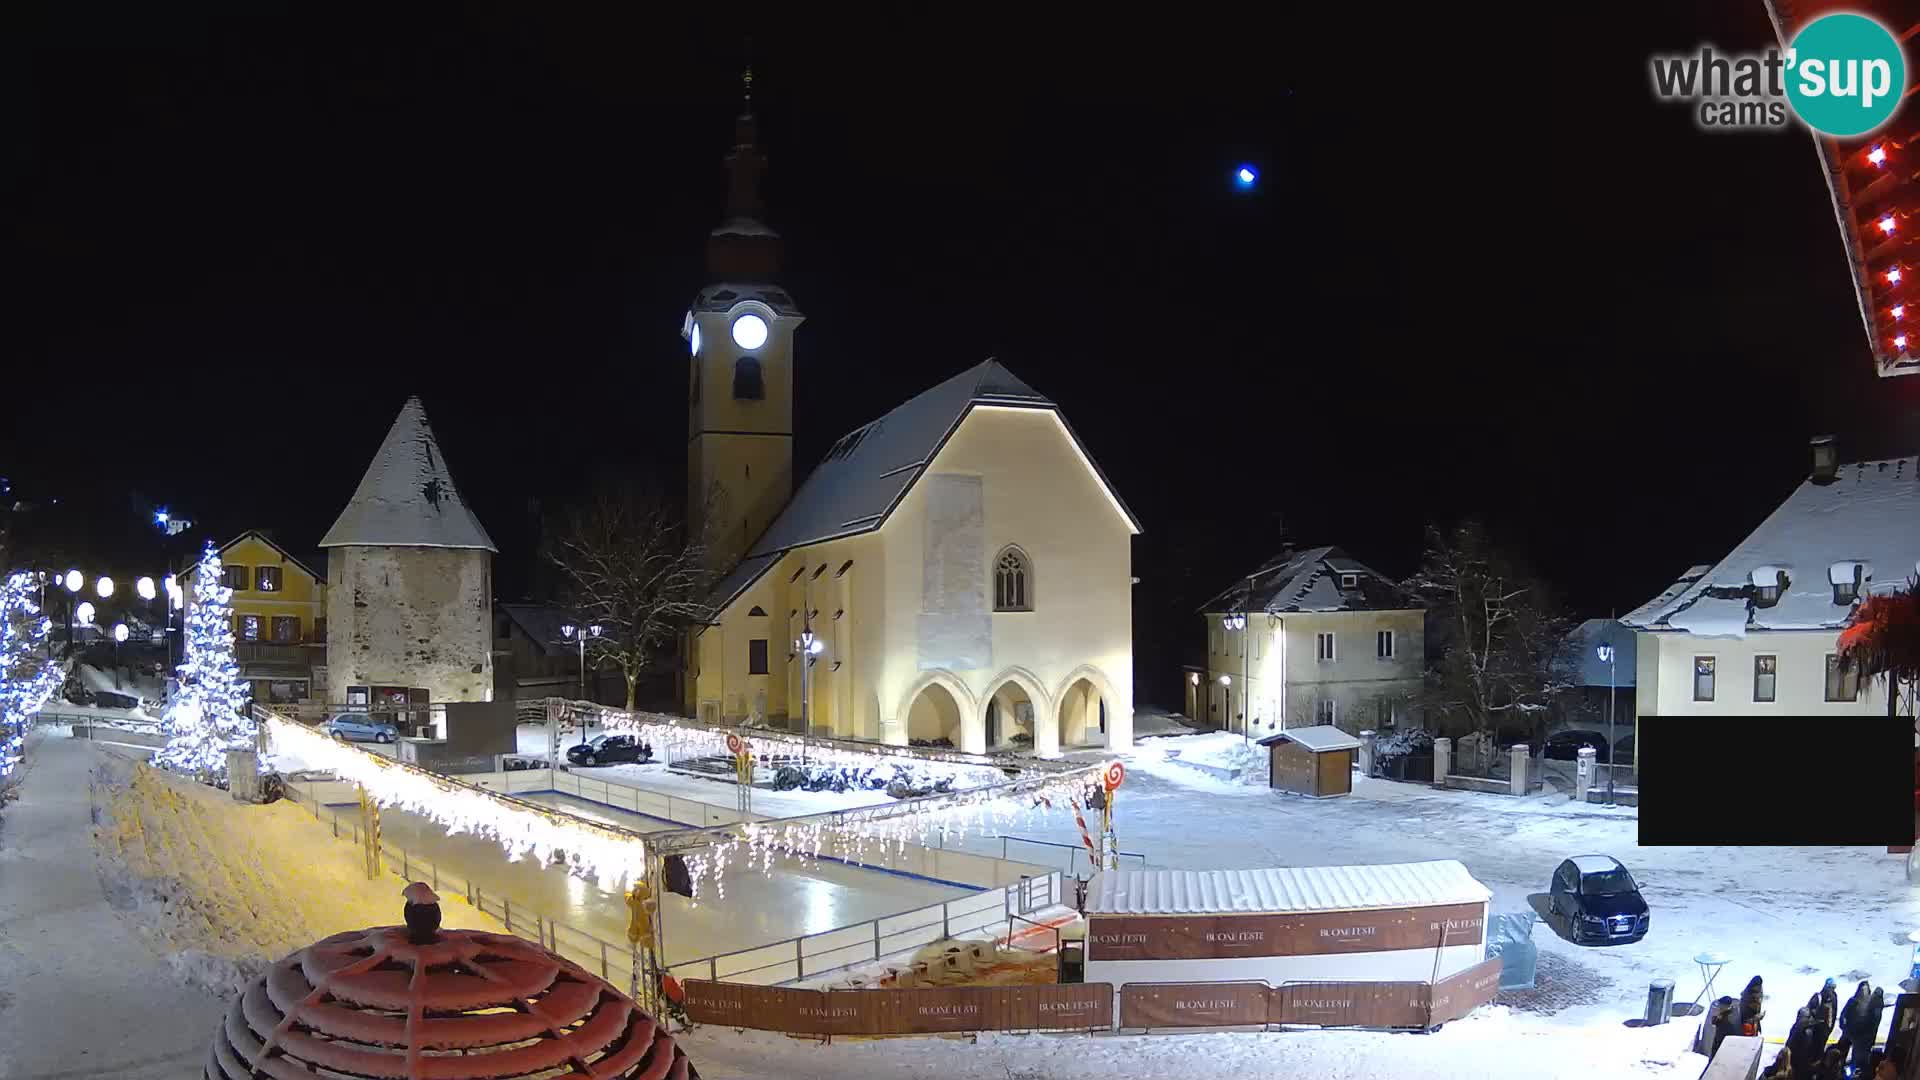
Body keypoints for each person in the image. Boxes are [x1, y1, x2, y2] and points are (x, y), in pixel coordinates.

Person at [1852, 989, 1888, 1077]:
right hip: (1868, 1036)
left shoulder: (1873, 1005)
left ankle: (1857, 1070)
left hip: (1865, 1035)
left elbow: (1871, 1021)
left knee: (1860, 1055)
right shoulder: (1877, 1005)